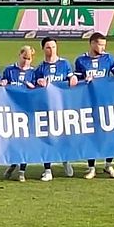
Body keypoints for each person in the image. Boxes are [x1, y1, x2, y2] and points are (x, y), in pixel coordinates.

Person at [74, 32, 114, 179]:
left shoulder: (109, 58)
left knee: (110, 133)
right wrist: (82, 79)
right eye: (100, 44)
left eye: (104, 45)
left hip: (107, 101)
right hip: (89, 102)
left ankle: (108, 165)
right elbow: (76, 80)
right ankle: (91, 167)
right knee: (92, 134)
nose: (103, 48)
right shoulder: (81, 60)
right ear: (92, 44)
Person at [33, 36, 78, 181]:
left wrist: (73, 79)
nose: (51, 50)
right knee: (47, 138)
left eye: (53, 47)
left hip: (63, 107)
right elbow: (34, 87)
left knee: (64, 136)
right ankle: (47, 169)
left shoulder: (65, 64)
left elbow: (72, 78)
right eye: (48, 47)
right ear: (43, 49)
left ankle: (66, 160)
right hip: (46, 108)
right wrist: (38, 82)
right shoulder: (40, 68)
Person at [0, 45, 37, 182]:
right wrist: (3, 83)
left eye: (29, 59)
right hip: (12, 110)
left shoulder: (34, 72)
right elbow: (4, 83)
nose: (26, 61)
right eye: (24, 57)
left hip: (26, 111)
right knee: (13, 140)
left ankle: (22, 171)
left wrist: (34, 87)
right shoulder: (10, 70)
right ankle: (13, 163)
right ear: (19, 55)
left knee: (25, 141)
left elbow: (39, 91)